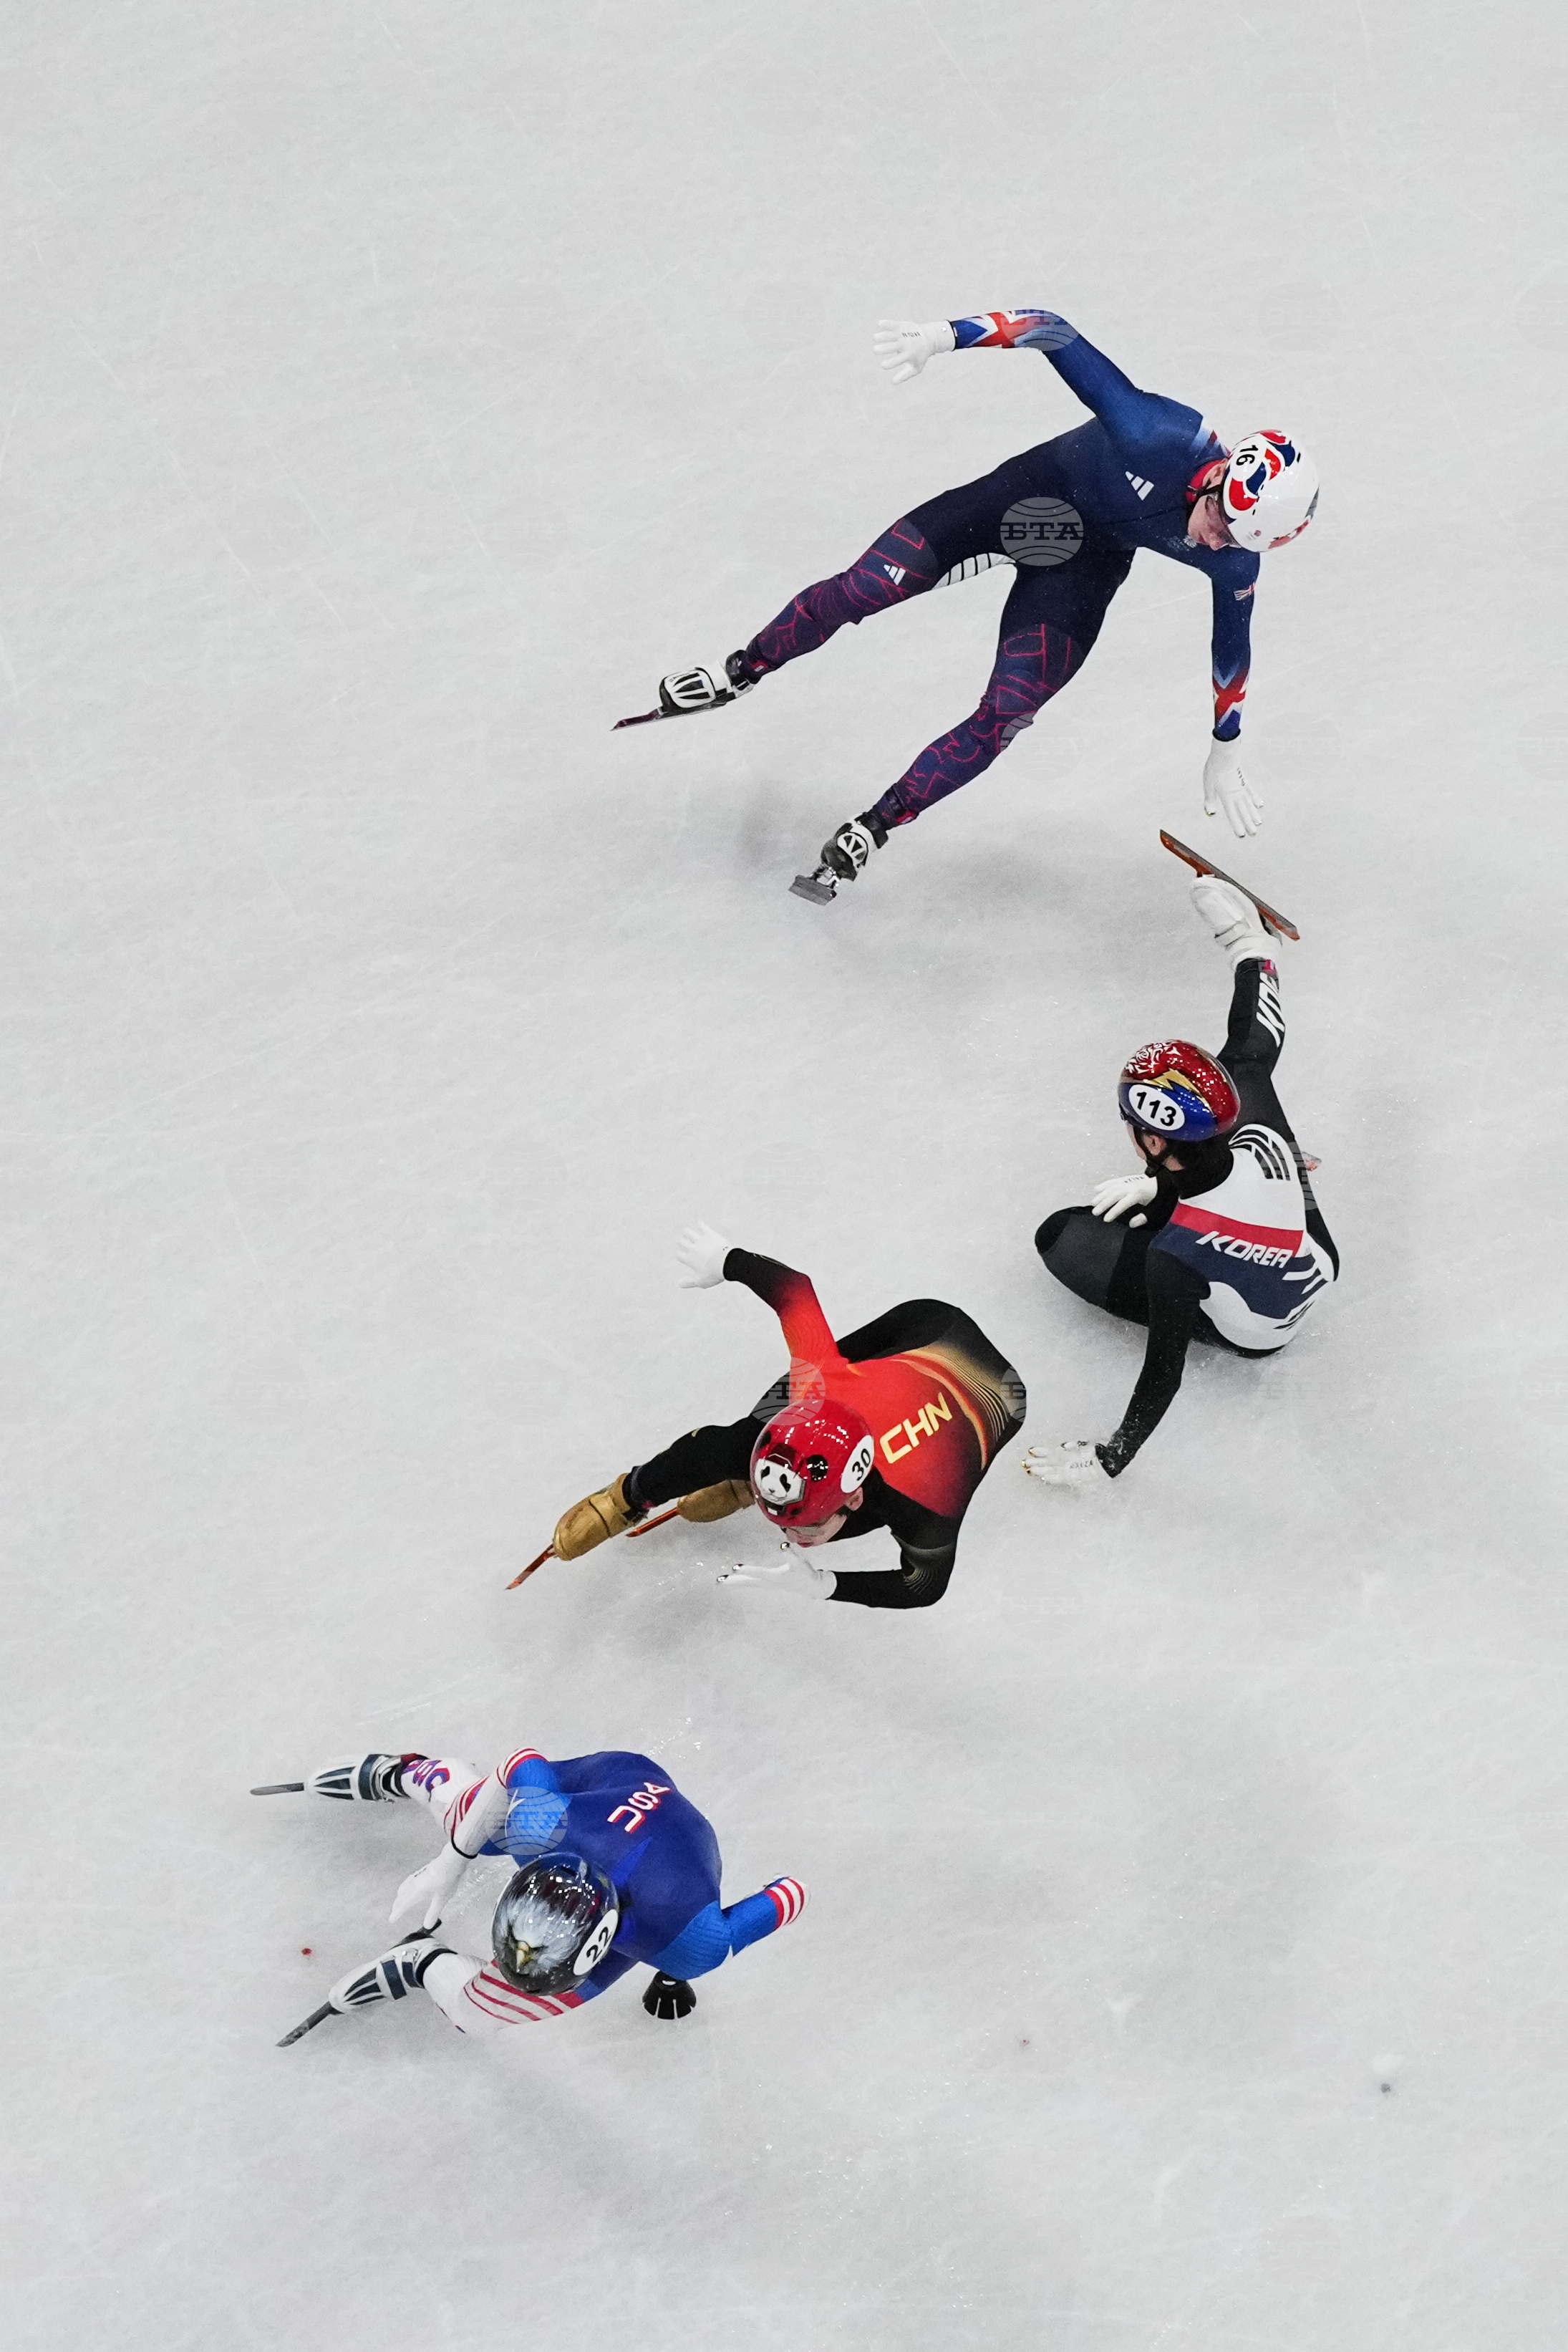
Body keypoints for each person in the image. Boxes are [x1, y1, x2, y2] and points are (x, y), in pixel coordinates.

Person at [640, 307, 1318, 897]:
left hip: (1082, 566)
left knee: (1006, 712)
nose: (1213, 534)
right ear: (1225, 475)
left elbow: (1232, 651)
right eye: (1217, 515)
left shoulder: (1234, 557)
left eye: (1231, 535)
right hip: (1023, 501)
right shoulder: (1156, 433)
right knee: (865, 587)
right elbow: (1053, 330)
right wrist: (945, 336)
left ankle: (876, 826)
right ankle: (742, 670)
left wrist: (1224, 749)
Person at [1025, 877, 1338, 1483]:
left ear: (1154, 1139)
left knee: (1061, 1236)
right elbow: (1256, 1045)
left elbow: (1162, 1371)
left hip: (1258, 1331)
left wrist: (1110, 1459)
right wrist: (1247, 947)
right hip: (1318, 1258)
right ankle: (1253, 947)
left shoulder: (1174, 1258)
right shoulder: (1256, 1123)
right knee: (1255, 1086)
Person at [546, 1230, 1027, 1608]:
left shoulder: (927, 1504)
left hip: (991, 1391)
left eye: (805, 1526)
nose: (790, 1535)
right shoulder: (818, 1384)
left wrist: (827, 1586)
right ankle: (685, 1484)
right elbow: (793, 1291)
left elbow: (924, 1586)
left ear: (854, 1494)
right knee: (735, 1443)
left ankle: (746, 1480)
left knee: (773, 1458)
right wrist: (726, 1259)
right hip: (918, 1342)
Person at [266, 1746, 805, 2044]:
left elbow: (790, 1894)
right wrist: (451, 1861)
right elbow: (518, 1763)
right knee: (470, 1812)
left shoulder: (691, 1944)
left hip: (657, 1867)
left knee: (480, 2016)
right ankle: (408, 1773)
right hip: (605, 1783)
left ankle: (420, 1961)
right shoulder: (539, 1828)